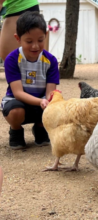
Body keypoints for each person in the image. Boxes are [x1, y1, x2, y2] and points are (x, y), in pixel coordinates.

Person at [1, 11, 60, 150]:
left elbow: (50, 93)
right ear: (18, 38)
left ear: (46, 35)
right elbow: (17, 93)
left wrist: (50, 100)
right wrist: (41, 102)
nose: (35, 46)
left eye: (40, 40)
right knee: (15, 111)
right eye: (29, 41)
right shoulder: (12, 59)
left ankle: (40, 127)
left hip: (40, 101)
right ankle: (16, 130)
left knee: (55, 105)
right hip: (17, 102)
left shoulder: (50, 61)